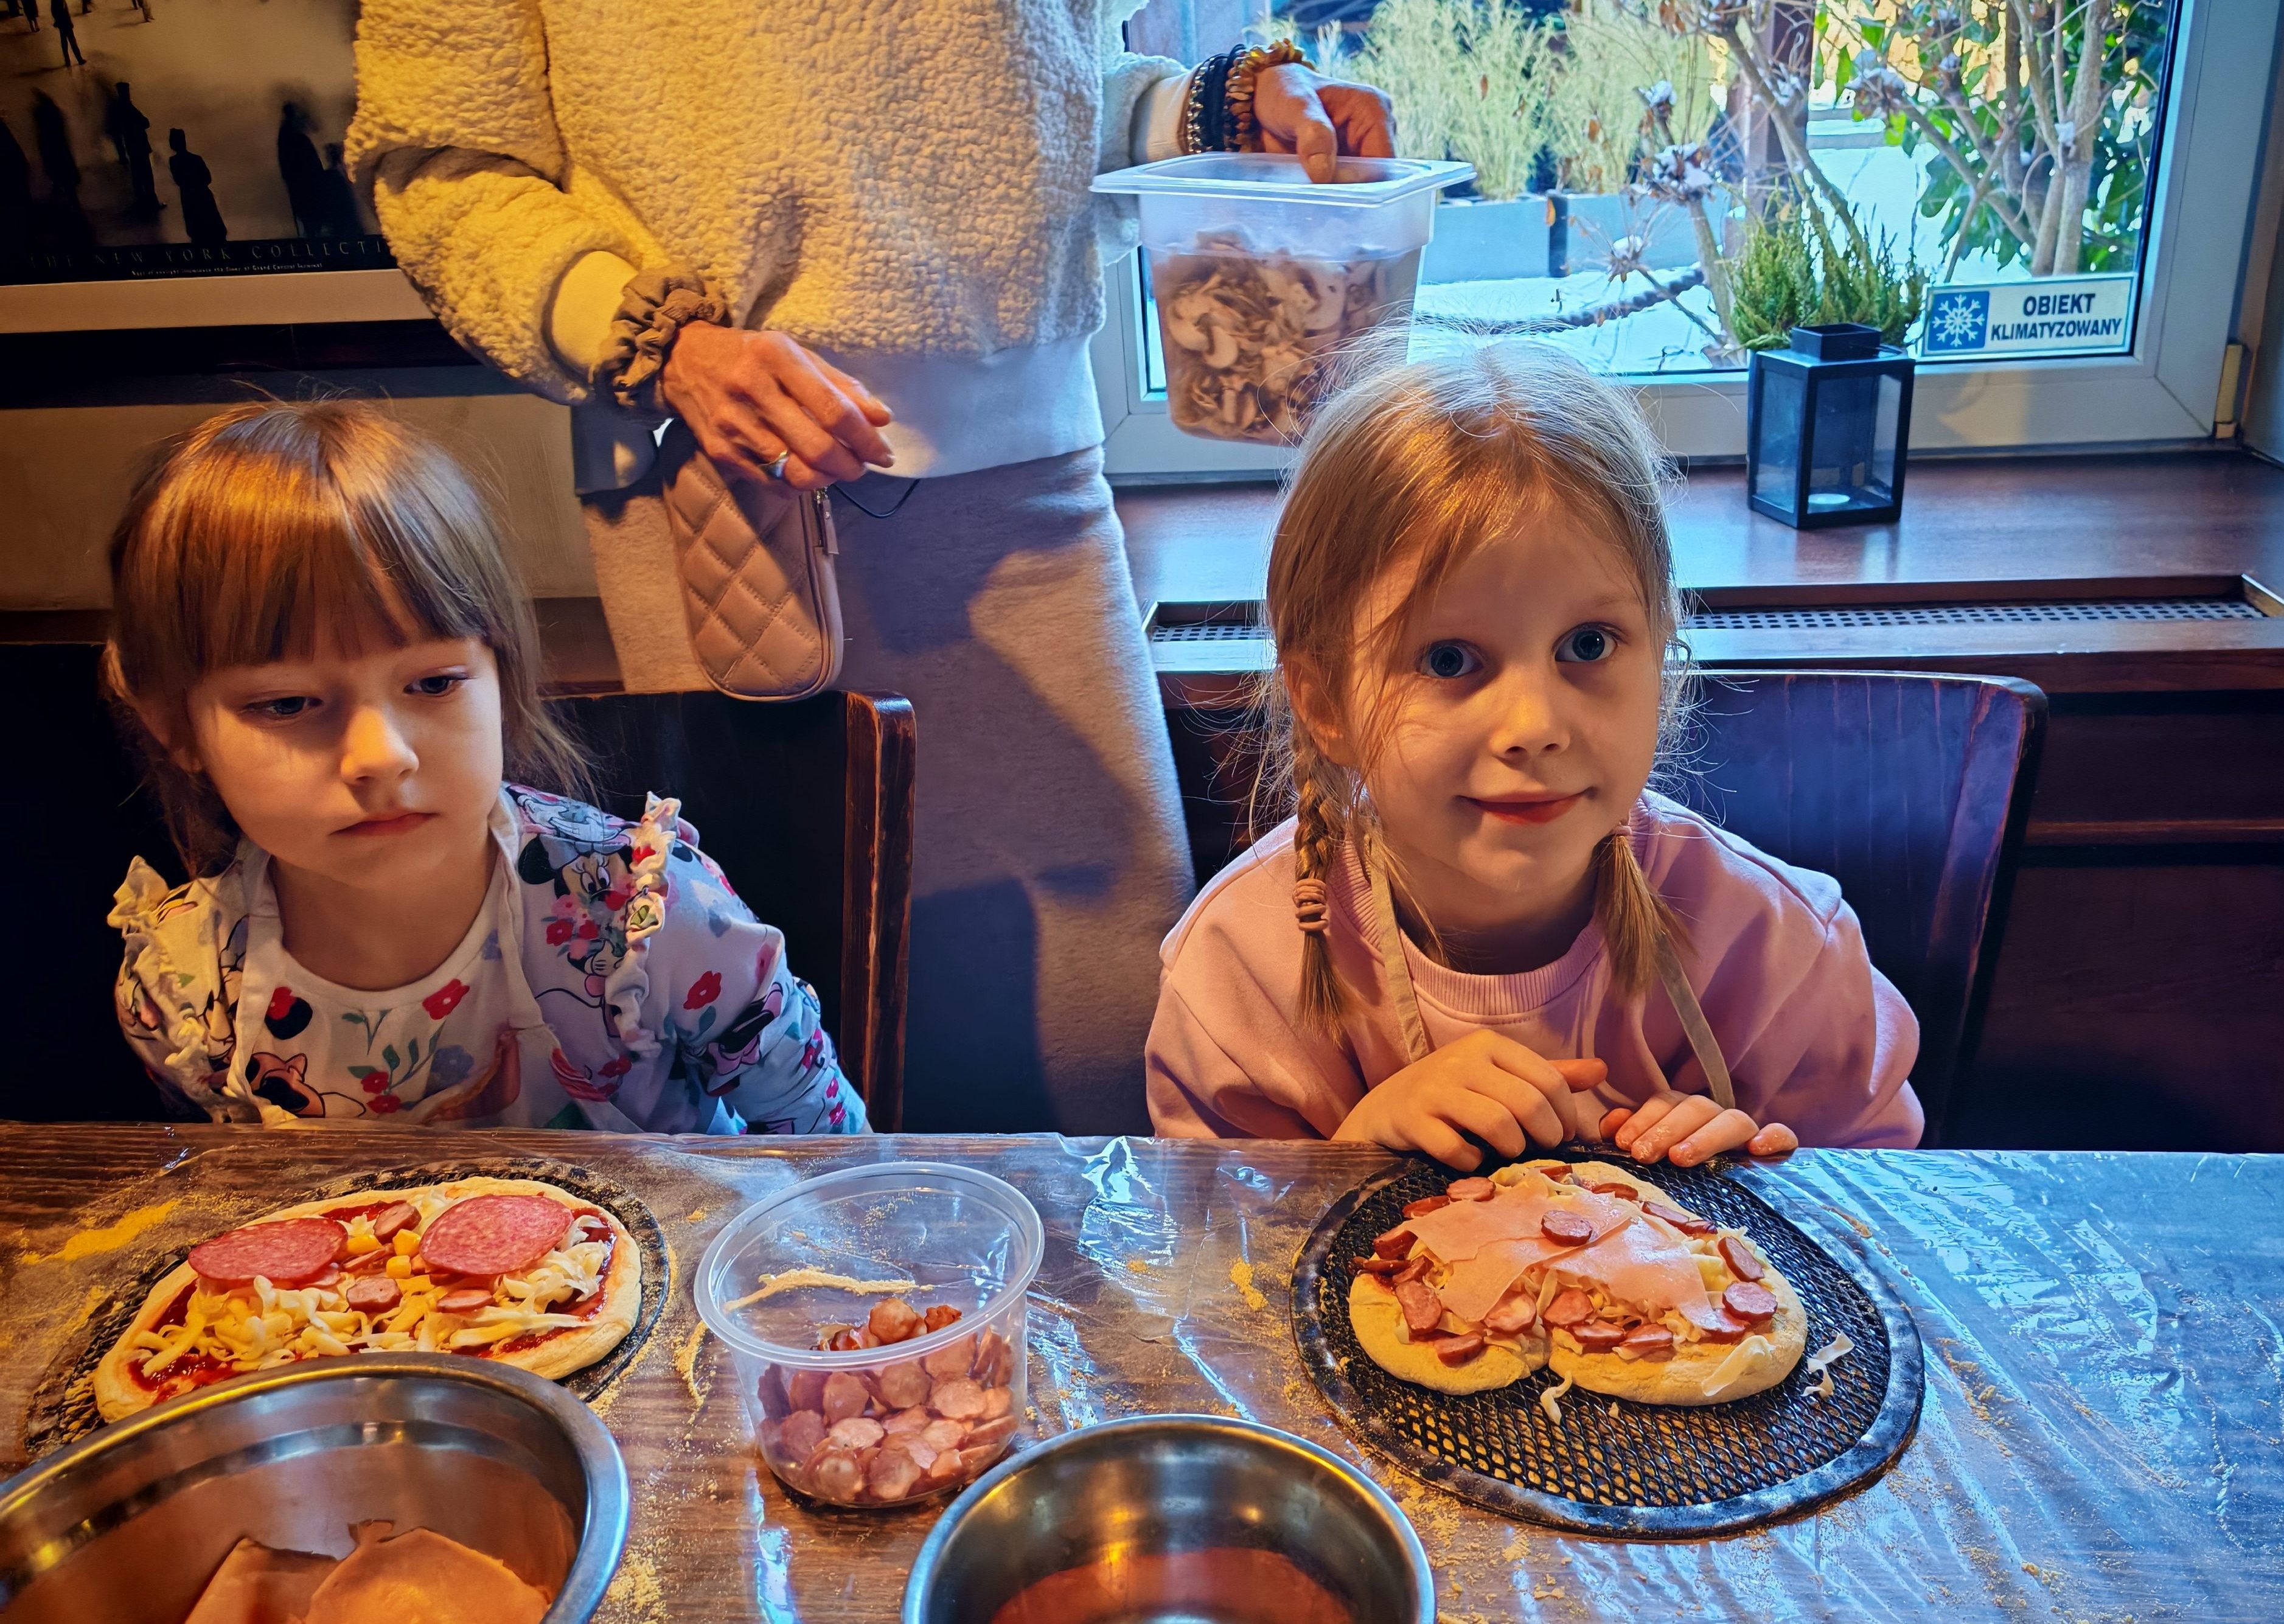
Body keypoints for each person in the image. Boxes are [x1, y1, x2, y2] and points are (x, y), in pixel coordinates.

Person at [346, 9, 1394, 1135]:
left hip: (1037, 486)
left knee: (1113, 1047)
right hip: (724, 511)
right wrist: (663, 346)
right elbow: (441, 159)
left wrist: (1202, 120)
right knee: (777, 1074)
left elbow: (1019, 112)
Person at [1145, 345, 1922, 1168]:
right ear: (1325, 702)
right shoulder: (1240, 974)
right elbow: (1208, 1233)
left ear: (1661, 653)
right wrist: (1348, 1160)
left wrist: (1764, 1191)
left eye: (1587, 644)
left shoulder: (1779, 951)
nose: (1533, 726)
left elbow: (1881, 1208)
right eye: (1449, 659)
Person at [103, 399, 865, 1137]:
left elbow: (829, 1145)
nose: (382, 756)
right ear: (176, 727)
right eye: (288, 703)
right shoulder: (184, 985)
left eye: (434, 683)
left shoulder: (647, 913)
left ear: (502, 678)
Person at [106, 83, 162, 217]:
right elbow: (145, 123)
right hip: (139, 145)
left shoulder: (119, 109)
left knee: (137, 174)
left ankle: (141, 199)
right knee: (146, 174)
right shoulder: (129, 108)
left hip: (131, 146)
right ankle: (152, 201)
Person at [167, 127, 225, 245]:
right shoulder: (196, 159)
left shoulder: (173, 161)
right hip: (203, 194)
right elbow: (208, 178)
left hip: (188, 196)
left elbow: (179, 181)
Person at [49, 0, 83, 66]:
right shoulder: (60, 1)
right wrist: (69, 22)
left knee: (64, 43)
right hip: (66, 23)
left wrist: (57, 21)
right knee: (72, 42)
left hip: (61, 24)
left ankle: (68, 61)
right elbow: (65, 12)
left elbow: (54, 12)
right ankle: (79, 59)